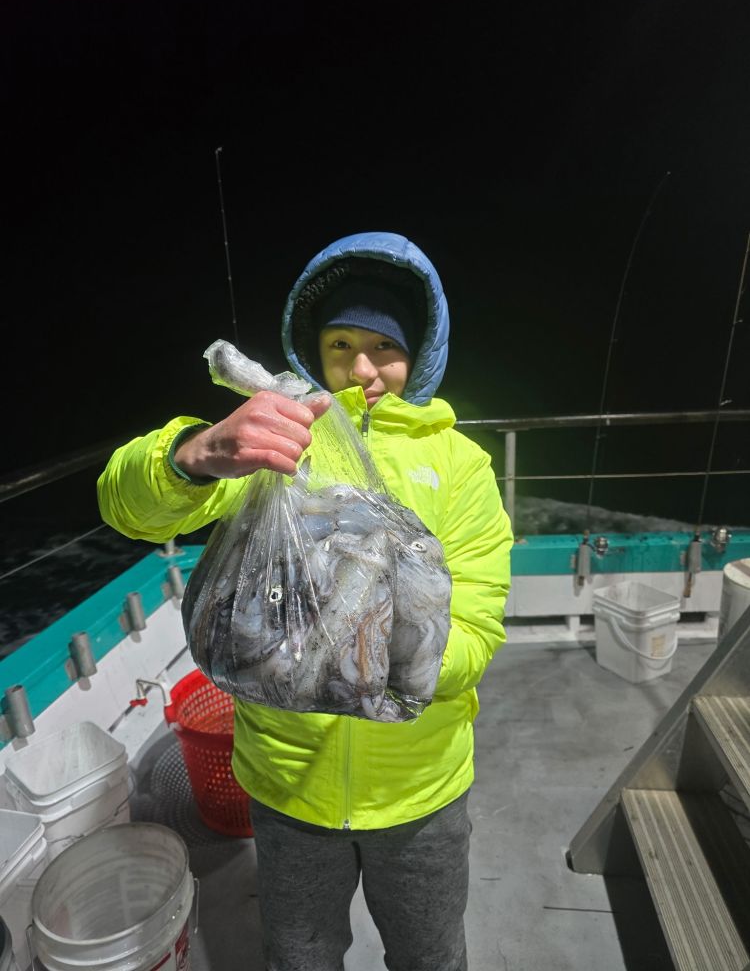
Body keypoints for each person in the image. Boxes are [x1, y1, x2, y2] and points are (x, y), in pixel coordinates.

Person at [97, 230, 513, 971]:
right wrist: (193, 455)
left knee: (431, 955)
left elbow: (476, 631)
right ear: (312, 352)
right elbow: (126, 507)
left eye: (385, 346)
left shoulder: (462, 466)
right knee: (297, 955)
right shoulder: (282, 430)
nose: (363, 368)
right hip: (289, 787)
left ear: (419, 351)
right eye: (341, 344)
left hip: (420, 791)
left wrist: (360, 667)